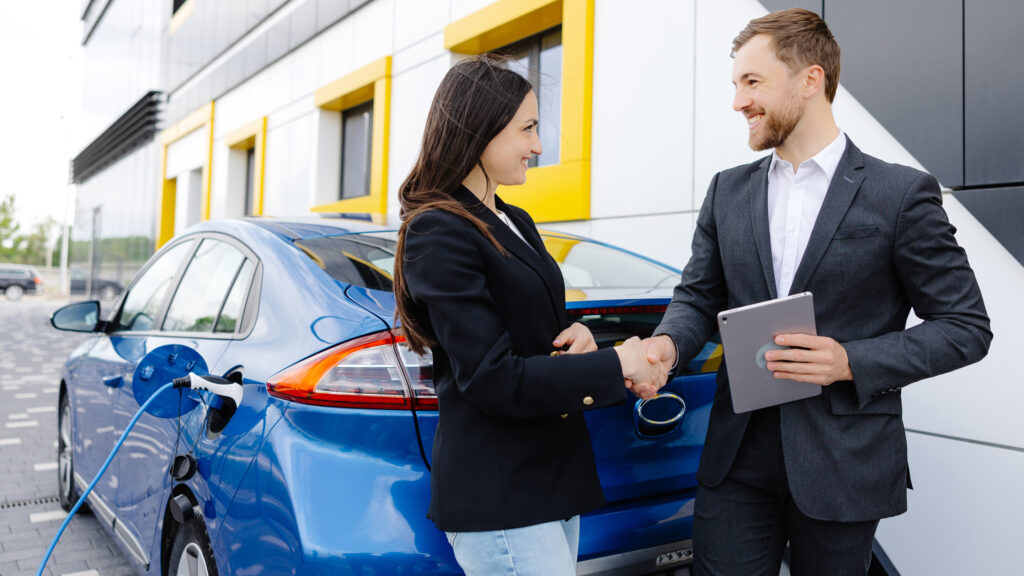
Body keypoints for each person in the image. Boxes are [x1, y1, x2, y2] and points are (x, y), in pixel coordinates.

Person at [642, 9, 991, 575]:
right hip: (737, 459)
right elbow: (698, 299)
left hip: (844, 462)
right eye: (735, 84)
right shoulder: (727, 191)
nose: (738, 102)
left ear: (810, 80)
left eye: (752, 82)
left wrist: (850, 361)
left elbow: (966, 328)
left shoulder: (900, 194)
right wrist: (668, 345)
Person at [392, 55, 665, 575]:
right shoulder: (438, 229)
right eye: (528, 128)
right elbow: (492, 378)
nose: (538, 146)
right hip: (502, 494)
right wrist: (616, 364)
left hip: (549, 481)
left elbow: (530, 334)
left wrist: (578, 338)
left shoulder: (513, 218)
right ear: (479, 129)